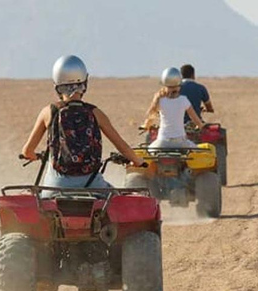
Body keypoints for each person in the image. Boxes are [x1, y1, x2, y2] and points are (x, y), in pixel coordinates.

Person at [21, 55, 145, 192]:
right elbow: (122, 146)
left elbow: (27, 151)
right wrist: (137, 161)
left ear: (57, 85)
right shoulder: (96, 113)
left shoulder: (48, 112)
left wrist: (33, 155)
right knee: (120, 203)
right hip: (92, 184)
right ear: (84, 83)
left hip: (56, 185)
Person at [144, 67, 205, 149]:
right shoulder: (184, 100)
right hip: (180, 142)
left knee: (144, 155)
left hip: (162, 142)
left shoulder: (159, 100)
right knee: (201, 152)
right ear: (179, 84)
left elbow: (151, 118)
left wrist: (146, 125)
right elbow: (195, 120)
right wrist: (201, 126)